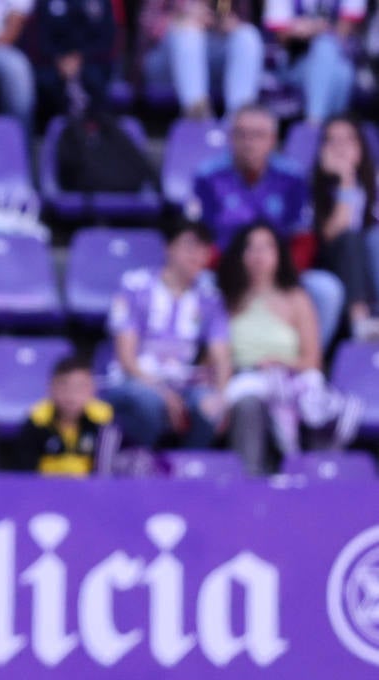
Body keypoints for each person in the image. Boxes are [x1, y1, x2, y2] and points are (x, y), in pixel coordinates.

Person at [189, 104, 345, 346]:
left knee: (326, 288)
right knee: (200, 284)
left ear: (272, 140)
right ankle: (213, 358)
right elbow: (199, 238)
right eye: (241, 134)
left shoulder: (292, 177)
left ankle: (308, 363)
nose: (249, 142)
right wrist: (238, 271)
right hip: (224, 270)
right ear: (230, 138)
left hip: (281, 271)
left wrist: (278, 275)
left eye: (258, 135)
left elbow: (303, 237)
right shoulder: (208, 176)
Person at [216, 220, 357, 473]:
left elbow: (313, 360)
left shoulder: (296, 298)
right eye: (251, 248)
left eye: (266, 247)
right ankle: (250, 486)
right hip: (244, 379)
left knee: (315, 404)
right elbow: (217, 354)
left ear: (279, 254)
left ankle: (314, 481)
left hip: (290, 378)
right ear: (239, 255)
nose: (258, 256)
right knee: (248, 403)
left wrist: (281, 364)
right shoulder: (227, 299)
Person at [103, 216, 233, 450]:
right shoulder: (135, 286)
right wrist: (160, 390)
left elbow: (221, 354)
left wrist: (222, 396)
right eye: (189, 246)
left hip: (183, 382)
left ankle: (187, 471)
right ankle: (141, 466)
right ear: (168, 247)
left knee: (209, 405)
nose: (197, 255)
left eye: (204, 249)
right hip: (135, 380)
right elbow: (126, 360)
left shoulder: (210, 296)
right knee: (148, 402)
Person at [311, 115, 379, 341]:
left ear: (361, 146)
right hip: (330, 264)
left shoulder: (374, 183)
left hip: (371, 264)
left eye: (348, 140)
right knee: (351, 239)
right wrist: (346, 182)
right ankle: (359, 321)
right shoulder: (313, 186)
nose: (341, 148)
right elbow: (331, 234)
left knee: (375, 239)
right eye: (333, 141)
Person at [139, 0, 264, 118]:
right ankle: (196, 114)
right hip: (166, 58)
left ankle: (239, 116)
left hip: (213, 51)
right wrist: (184, 18)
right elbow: (147, 25)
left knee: (247, 35)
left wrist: (229, 23)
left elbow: (245, 18)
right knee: (188, 34)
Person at [263, 0, 363, 125]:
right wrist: (318, 27)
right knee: (335, 64)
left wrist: (308, 28)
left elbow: (344, 31)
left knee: (335, 62)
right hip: (294, 64)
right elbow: (282, 35)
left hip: (337, 61)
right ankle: (331, 126)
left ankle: (315, 121)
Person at [14, 356, 118, 475]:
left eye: (79, 388)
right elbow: (25, 472)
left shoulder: (104, 422)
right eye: (63, 386)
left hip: (90, 491)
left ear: (92, 389)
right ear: (50, 388)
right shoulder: (36, 421)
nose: (71, 395)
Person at [31, 0, 117, 116]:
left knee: (93, 78)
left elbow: (107, 40)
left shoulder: (101, 2)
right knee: (46, 84)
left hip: (92, 62)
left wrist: (80, 57)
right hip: (54, 63)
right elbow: (41, 39)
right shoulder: (46, 3)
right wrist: (59, 59)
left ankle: (96, 126)